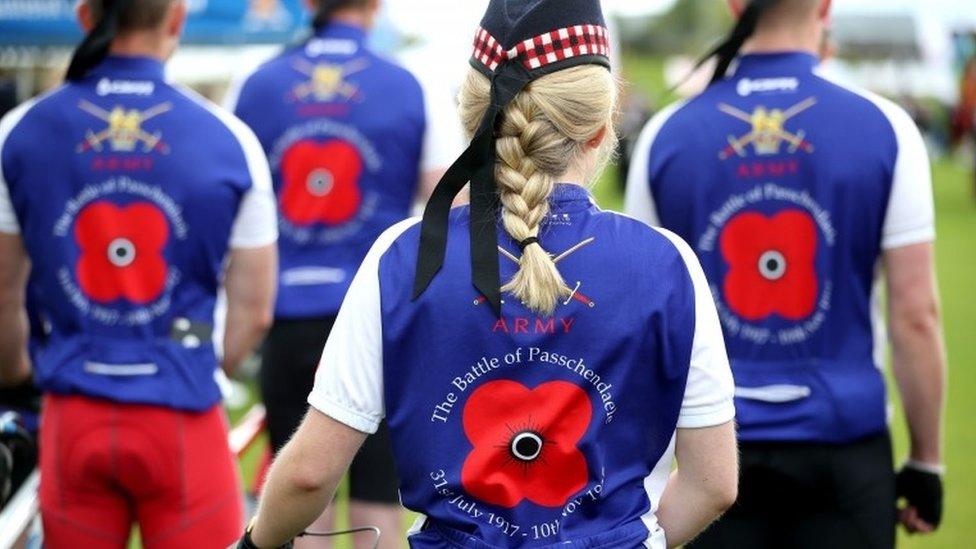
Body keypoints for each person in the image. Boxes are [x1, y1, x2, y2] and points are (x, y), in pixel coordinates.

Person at [239, 1, 739, 548]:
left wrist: (255, 541)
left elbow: (311, 473)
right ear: (600, 128)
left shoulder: (404, 257)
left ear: (472, 118)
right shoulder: (667, 263)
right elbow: (713, 482)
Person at [625, 0, 948, 547]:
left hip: (709, 459)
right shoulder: (885, 127)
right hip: (844, 452)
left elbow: (638, 319)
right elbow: (916, 316)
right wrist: (926, 461)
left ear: (733, 5)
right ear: (825, 5)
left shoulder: (667, 134)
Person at [0, 0, 279, 546]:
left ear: (85, 16)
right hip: (181, 415)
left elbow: (3, 296)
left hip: (70, 416)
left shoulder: (20, 130)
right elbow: (255, 310)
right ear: (175, 18)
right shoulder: (229, 139)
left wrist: (19, 372)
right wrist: (196, 359)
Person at [225, 1, 463, 545]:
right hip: (380, 317)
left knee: (304, 490)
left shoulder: (255, 82)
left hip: (286, 318)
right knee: (378, 493)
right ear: (375, 5)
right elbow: (449, 208)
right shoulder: (411, 83)